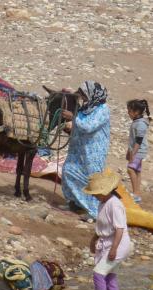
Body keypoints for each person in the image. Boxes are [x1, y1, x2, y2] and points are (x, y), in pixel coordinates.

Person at [84, 171, 131, 290]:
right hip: (108, 243)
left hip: (119, 244)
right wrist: (93, 239)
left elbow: (120, 229)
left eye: (96, 193)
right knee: (109, 276)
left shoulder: (114, 205)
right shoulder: (103, 203)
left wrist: (114, 249)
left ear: (104, 192)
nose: (93, 196)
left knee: (98, 273)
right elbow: (103, 227)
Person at [61, 81, 110, 220]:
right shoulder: (86, 108)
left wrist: (73, 118)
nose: (83, 98)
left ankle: (93, 211)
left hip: (93, 151)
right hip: (78, 150)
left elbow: (88, 126)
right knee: (68, 171)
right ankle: (74, 203)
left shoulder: (103, 109)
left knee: (92, 180)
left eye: (84, 95)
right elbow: (79, 125)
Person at [126, 99, 152, 204]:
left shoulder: (140, 124)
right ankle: (137, 194)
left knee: (130, 169)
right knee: (136, 170)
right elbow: (133, 139)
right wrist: (129, 151)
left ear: (136, 112)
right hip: (137, 150)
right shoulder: (137, 122)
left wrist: (133, 153)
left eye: (129, 111)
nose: (128, 113)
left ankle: (136, 194)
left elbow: (138, 140)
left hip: (139, 151)